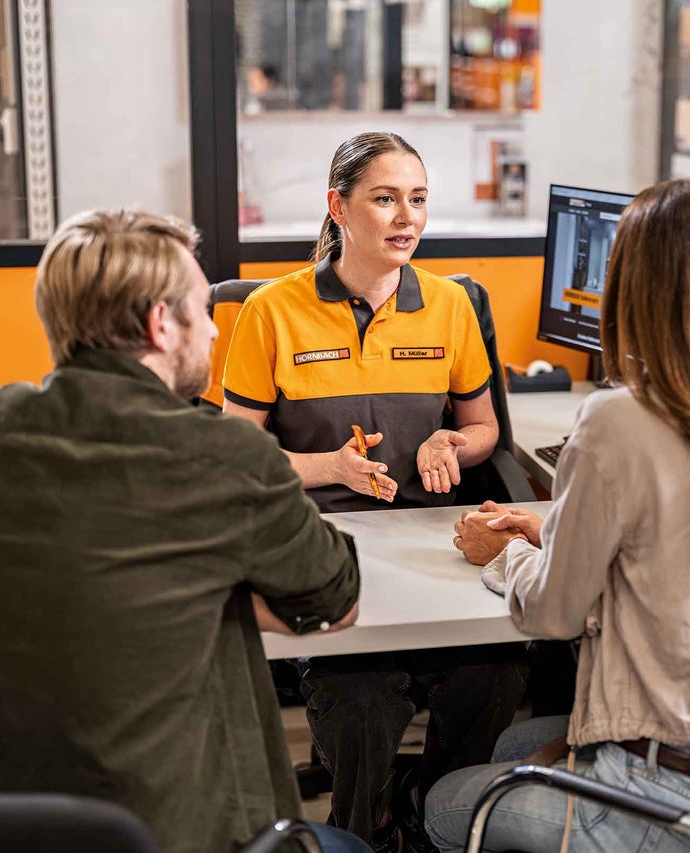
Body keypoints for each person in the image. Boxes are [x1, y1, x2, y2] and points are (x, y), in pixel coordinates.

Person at [0, 209, 369, 853]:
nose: (213, 329)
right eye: (203, 310)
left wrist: (169, 587)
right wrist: (207, 589)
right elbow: (338, 601)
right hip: (159, 830)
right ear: (161, 324)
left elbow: (30, 576)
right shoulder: (219, 454)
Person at [424, 178, 690, 852]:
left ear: (634, 288)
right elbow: (681, 543)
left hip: (658, 796)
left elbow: (553, 614)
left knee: (442, 803)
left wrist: (507, 555)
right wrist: (551, 531)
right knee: (518, 741)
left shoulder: (616, 419)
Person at [221, 131, 527, 850]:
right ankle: (366, 829)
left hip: (428, 543)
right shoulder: (271, 310)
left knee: (496, 668)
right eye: (385, 199)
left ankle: (442, 817)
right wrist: (329, 468)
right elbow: (233, 458)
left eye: (417, 199)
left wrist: (452, 442)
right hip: (321, 548)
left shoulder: (450, 304)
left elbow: (484, 429)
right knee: (359, 695)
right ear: (339, 207)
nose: (406, 217)